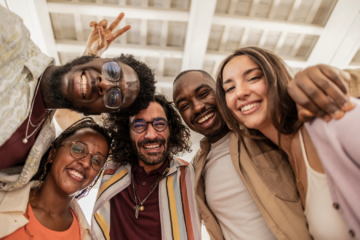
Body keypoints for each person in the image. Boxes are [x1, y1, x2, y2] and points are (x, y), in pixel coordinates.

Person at [173, 63, 360, 239]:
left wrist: (332, 79)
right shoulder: (194, 170)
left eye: (204, 93)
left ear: (222, 94)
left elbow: (328, 88)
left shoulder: (260, 130)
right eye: (185, 106)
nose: (197, 107)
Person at [0, 6, 156, 191]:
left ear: (99, 112)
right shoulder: (14, 38)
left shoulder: (40, 143)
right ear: (98, 57)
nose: (104, 84)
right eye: (112, 71)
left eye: (114, 97)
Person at [91, 94, 201, 240]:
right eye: (138, 125)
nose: (150, 134)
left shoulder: (191, 176)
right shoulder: (110, 170)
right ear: (127, 132)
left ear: (170, 129)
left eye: (160, 123)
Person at [0, 118, 111, 240]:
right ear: (52, 154)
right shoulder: (2, 202)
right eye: (78, 149)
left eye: (96, 160)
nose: (86, 163)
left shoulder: (84, 236)